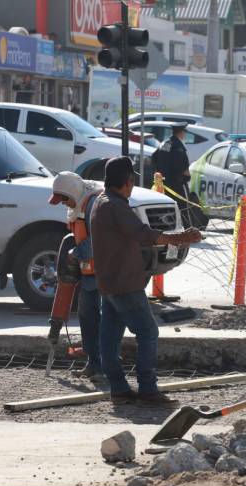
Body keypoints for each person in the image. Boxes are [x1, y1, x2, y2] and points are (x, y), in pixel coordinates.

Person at [90, 156, 202, 404]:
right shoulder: (115, 206)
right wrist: (180, 237)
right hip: (125, 283)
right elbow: (143, 235)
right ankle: (148, 388)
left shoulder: (100, 202)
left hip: (109, 282)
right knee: (148, 332)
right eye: (132, 181)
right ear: (127, 182)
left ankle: (118, 387)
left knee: (109, 338)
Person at [48, 172, 103, 380]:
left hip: (104, 272)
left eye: (64, 198)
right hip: (90, 273)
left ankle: (105, 364)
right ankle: (94, 363)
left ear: (72, 192)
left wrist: (75, 254)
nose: (63, 204)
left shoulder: (92, 205)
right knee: (87, 318)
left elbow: (98, 241)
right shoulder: (78, 206)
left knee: (103, 321)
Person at [152, 123, 192, 226]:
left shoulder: (165, 143)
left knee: (167, 207)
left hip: (163, 183)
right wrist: (187, 177)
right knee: (184, 207)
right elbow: (182, 166)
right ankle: (188, 230)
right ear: (181, 132)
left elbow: (154, 157)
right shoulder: (178, 146)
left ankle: (170, 228)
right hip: (177, 183)